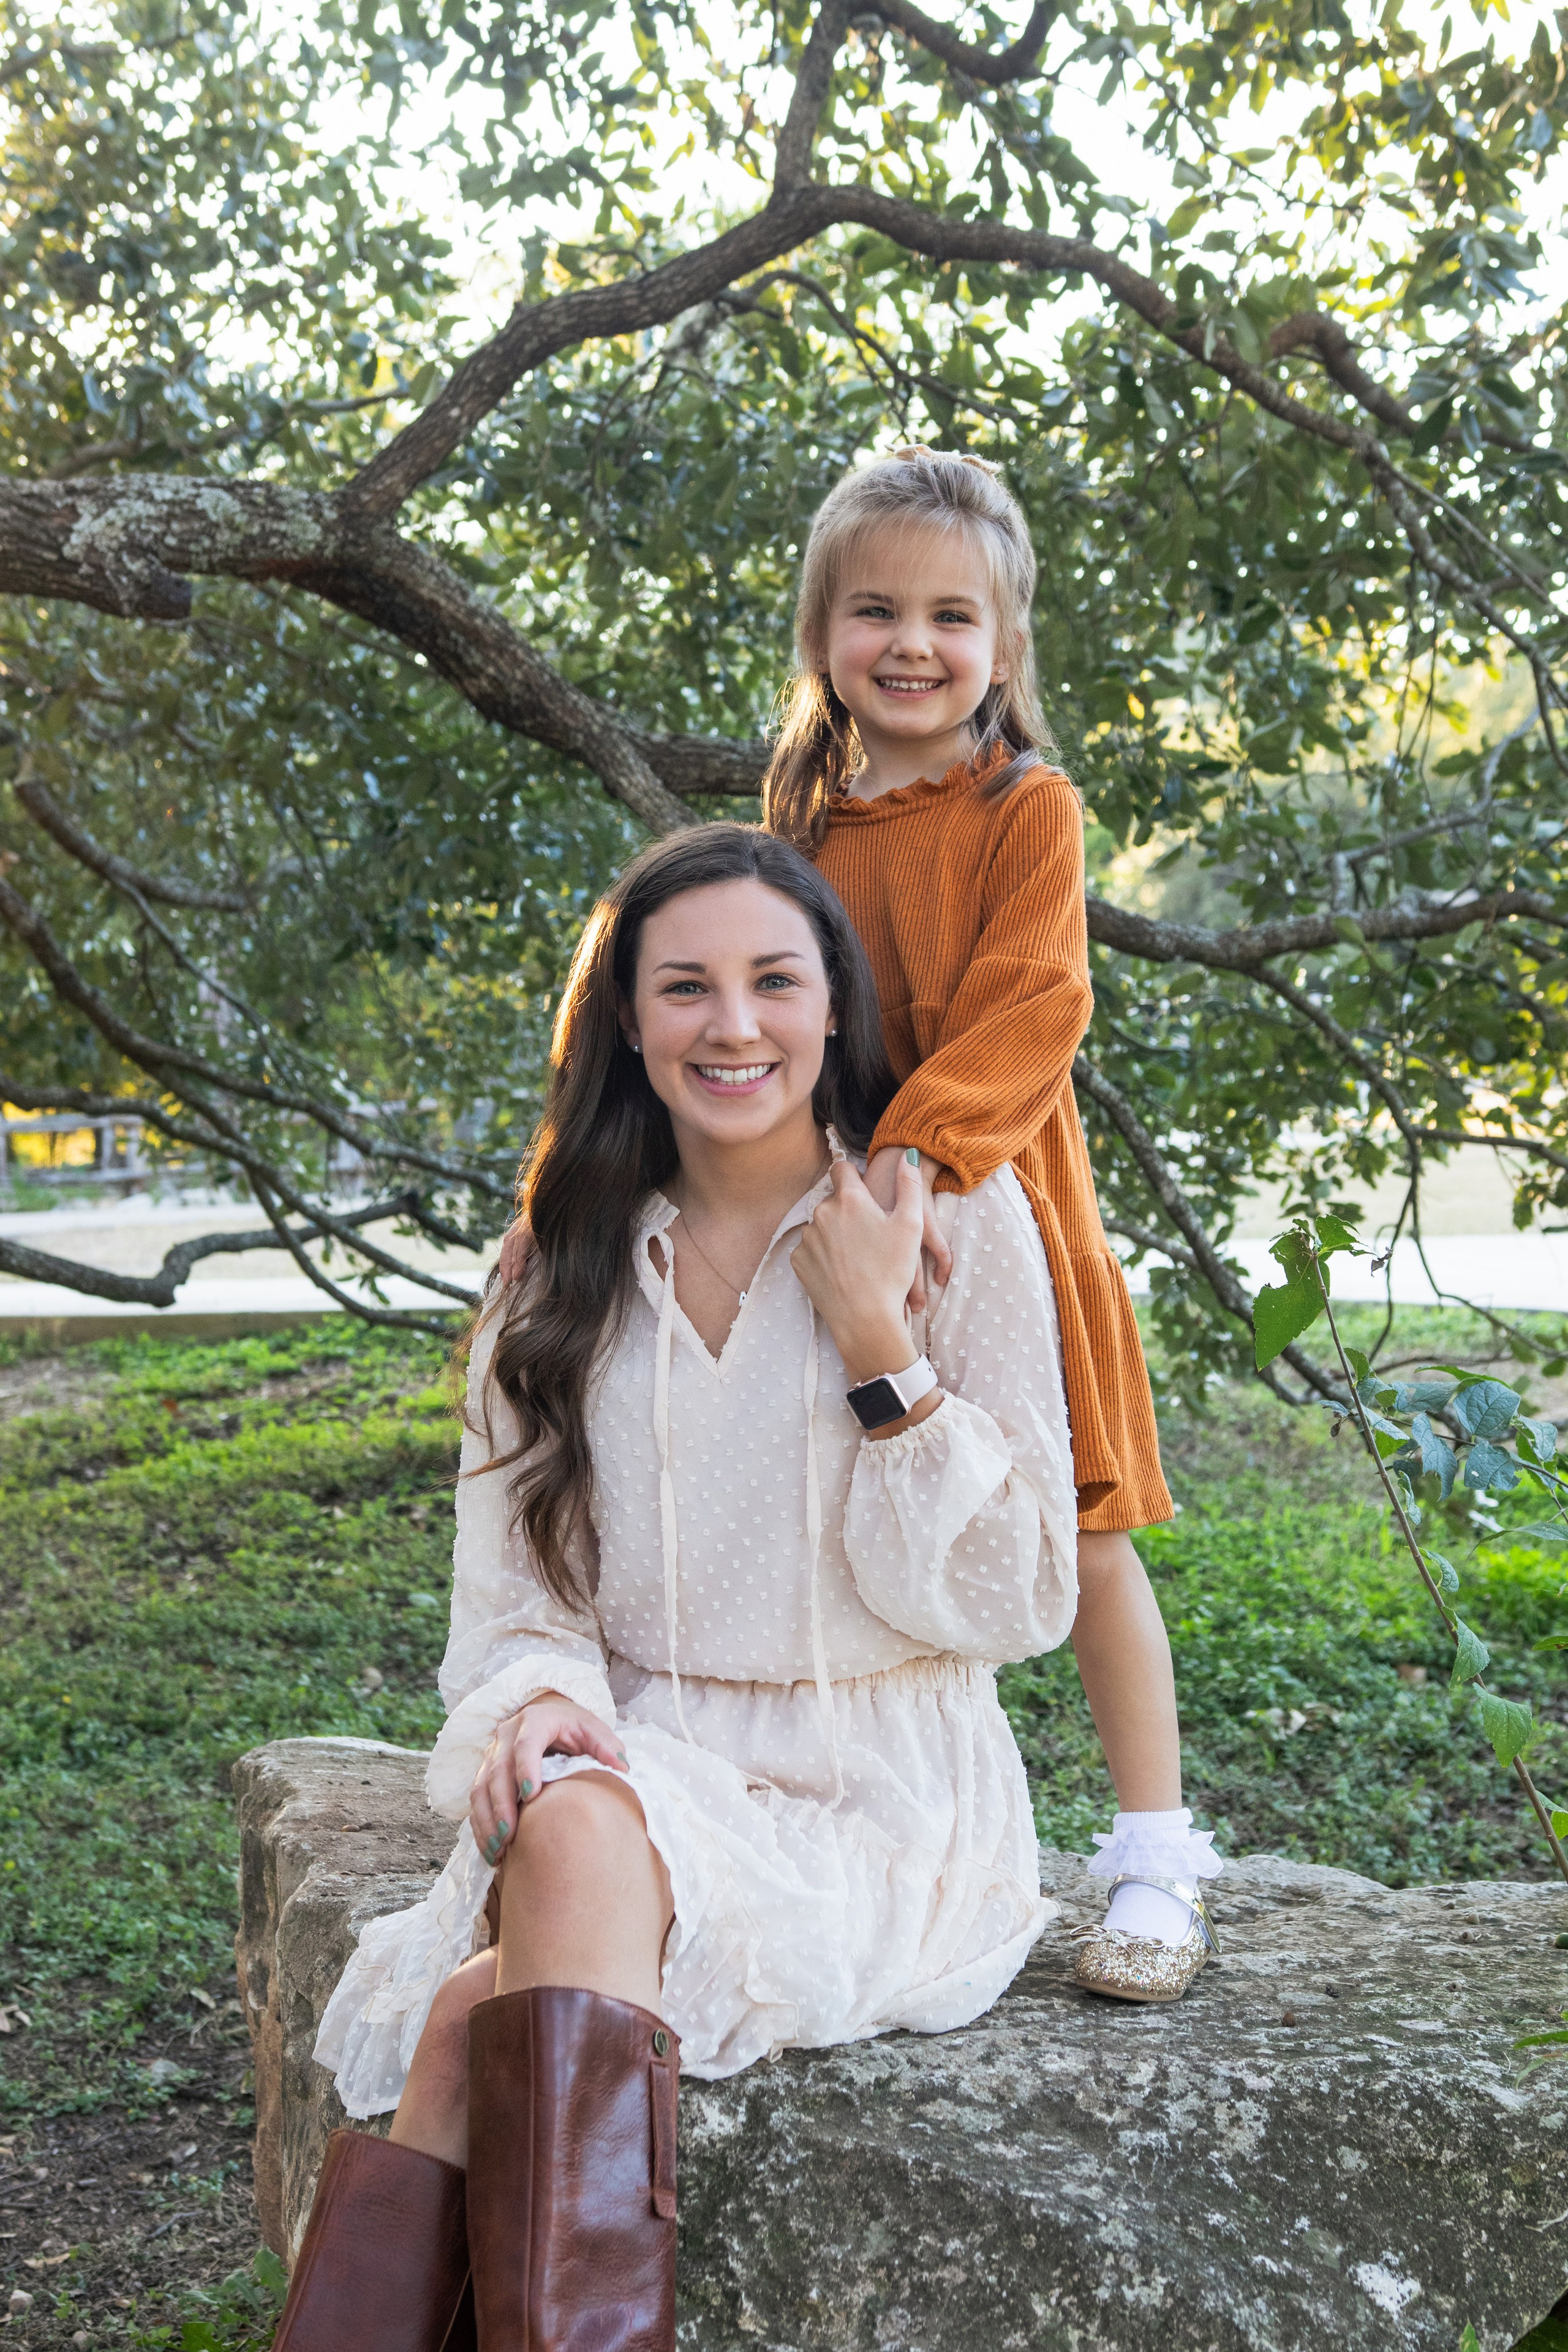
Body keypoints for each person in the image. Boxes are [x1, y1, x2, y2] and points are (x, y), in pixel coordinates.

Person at [271, 823, 1099, 2352]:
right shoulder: (556, 1264)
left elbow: (1020, 1598)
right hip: (638, 1765)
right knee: (566, 1835)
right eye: (686, 989)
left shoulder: (959, 1225)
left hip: (881, 1790)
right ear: (629, 1023)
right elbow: (518, 1602)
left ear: (833, 1007)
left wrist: (879, 1354)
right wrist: (535, 1713)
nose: (734, 1026)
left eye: (774, 981)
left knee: (471, 2023)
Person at [761, 445, 1223, 1998]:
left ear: (1003, 646)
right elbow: (768, 1016)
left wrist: (922, 1169)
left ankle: (1153, 1857)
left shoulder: (1027, 805)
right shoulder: (797, 819)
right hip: (839, 1226)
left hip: (997, 1204)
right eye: (873, 609)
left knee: (1074, 1529)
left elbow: (1037, 1004)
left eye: (950, 617)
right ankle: (887, 1833)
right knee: (859, 1519)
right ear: (822, 631)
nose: (910, 643)